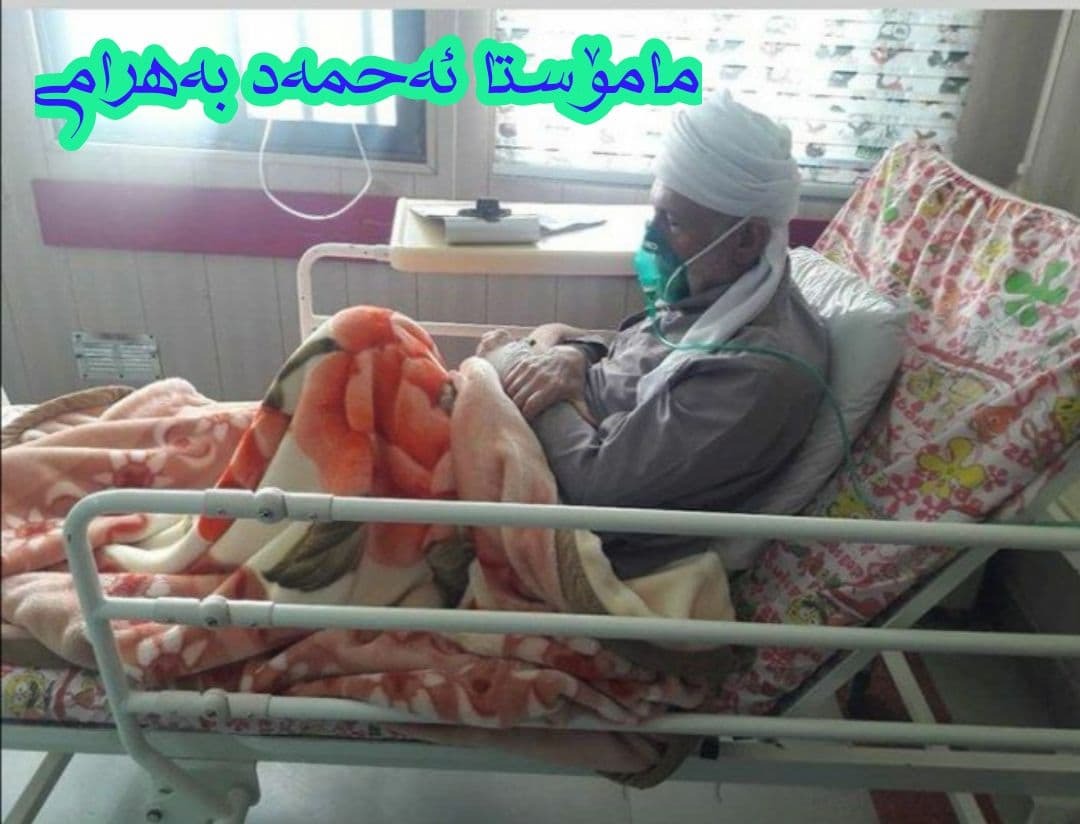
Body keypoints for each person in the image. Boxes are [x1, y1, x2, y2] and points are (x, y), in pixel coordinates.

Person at [477, 91, 829, 579]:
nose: (651, 238)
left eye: (674, 221)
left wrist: (514, 362)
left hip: (565, 520)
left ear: (747, 239)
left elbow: (595, 483)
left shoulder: (756, 372)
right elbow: (629, 353)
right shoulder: (716, 295)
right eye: (655, 213)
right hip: (540, 427)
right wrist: (575, 355)